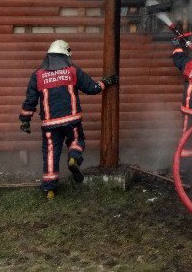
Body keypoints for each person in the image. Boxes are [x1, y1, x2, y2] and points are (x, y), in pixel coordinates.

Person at [18, 40, 118, 199]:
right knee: (77, 141)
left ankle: (49, 189)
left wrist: (25, 120)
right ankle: (73, 158)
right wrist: (106, 82)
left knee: (51, 153)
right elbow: (92, 88)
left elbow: (30, 100)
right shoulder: (73, 71)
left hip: (50, 124)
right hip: (72, 120)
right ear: (65, 56)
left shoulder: (37, 75)